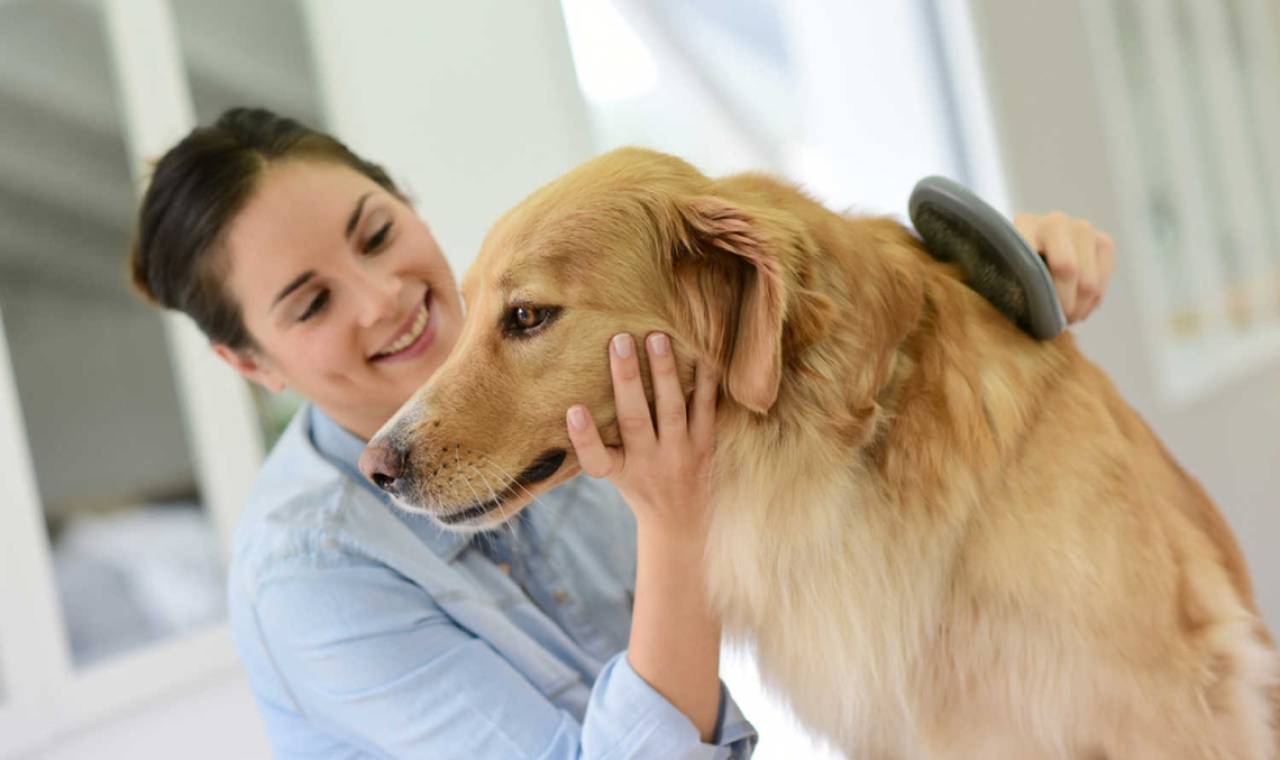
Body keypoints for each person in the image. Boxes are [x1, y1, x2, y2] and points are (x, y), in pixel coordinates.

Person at [129, 108, 1116, 759]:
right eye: (310, 303)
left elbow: (840, 384)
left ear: (409, 207)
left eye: (377, 233)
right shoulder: (309, 577)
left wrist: (992, 281)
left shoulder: (583, 367)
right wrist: (673, 527)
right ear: (250, 363)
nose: (386, 298)